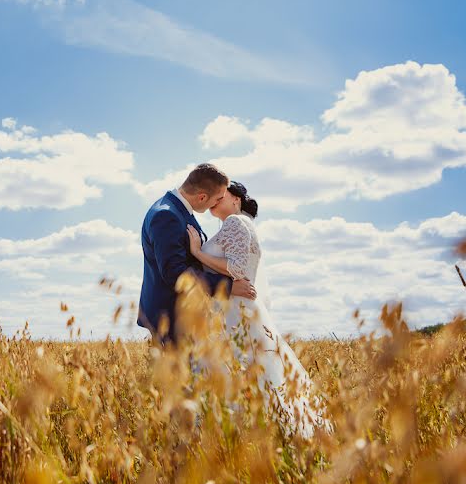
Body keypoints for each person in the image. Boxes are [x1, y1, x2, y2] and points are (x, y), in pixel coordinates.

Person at [187, 180, 331, 438]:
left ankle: (236, 437)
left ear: (236, 200)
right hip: (237, 309)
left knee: (231, 372)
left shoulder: (236, 222)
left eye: (223, 193)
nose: (217, 197)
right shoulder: (237, 225)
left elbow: (239, 269)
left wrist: (197, 253)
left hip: (234, 312)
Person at [138, 163, 257, 345]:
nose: (216, 203)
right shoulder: (166, 215)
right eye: (217, 198)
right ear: (202, 197)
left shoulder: (179, 211)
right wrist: (228, 287)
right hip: (172, 317)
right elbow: (175, 273)